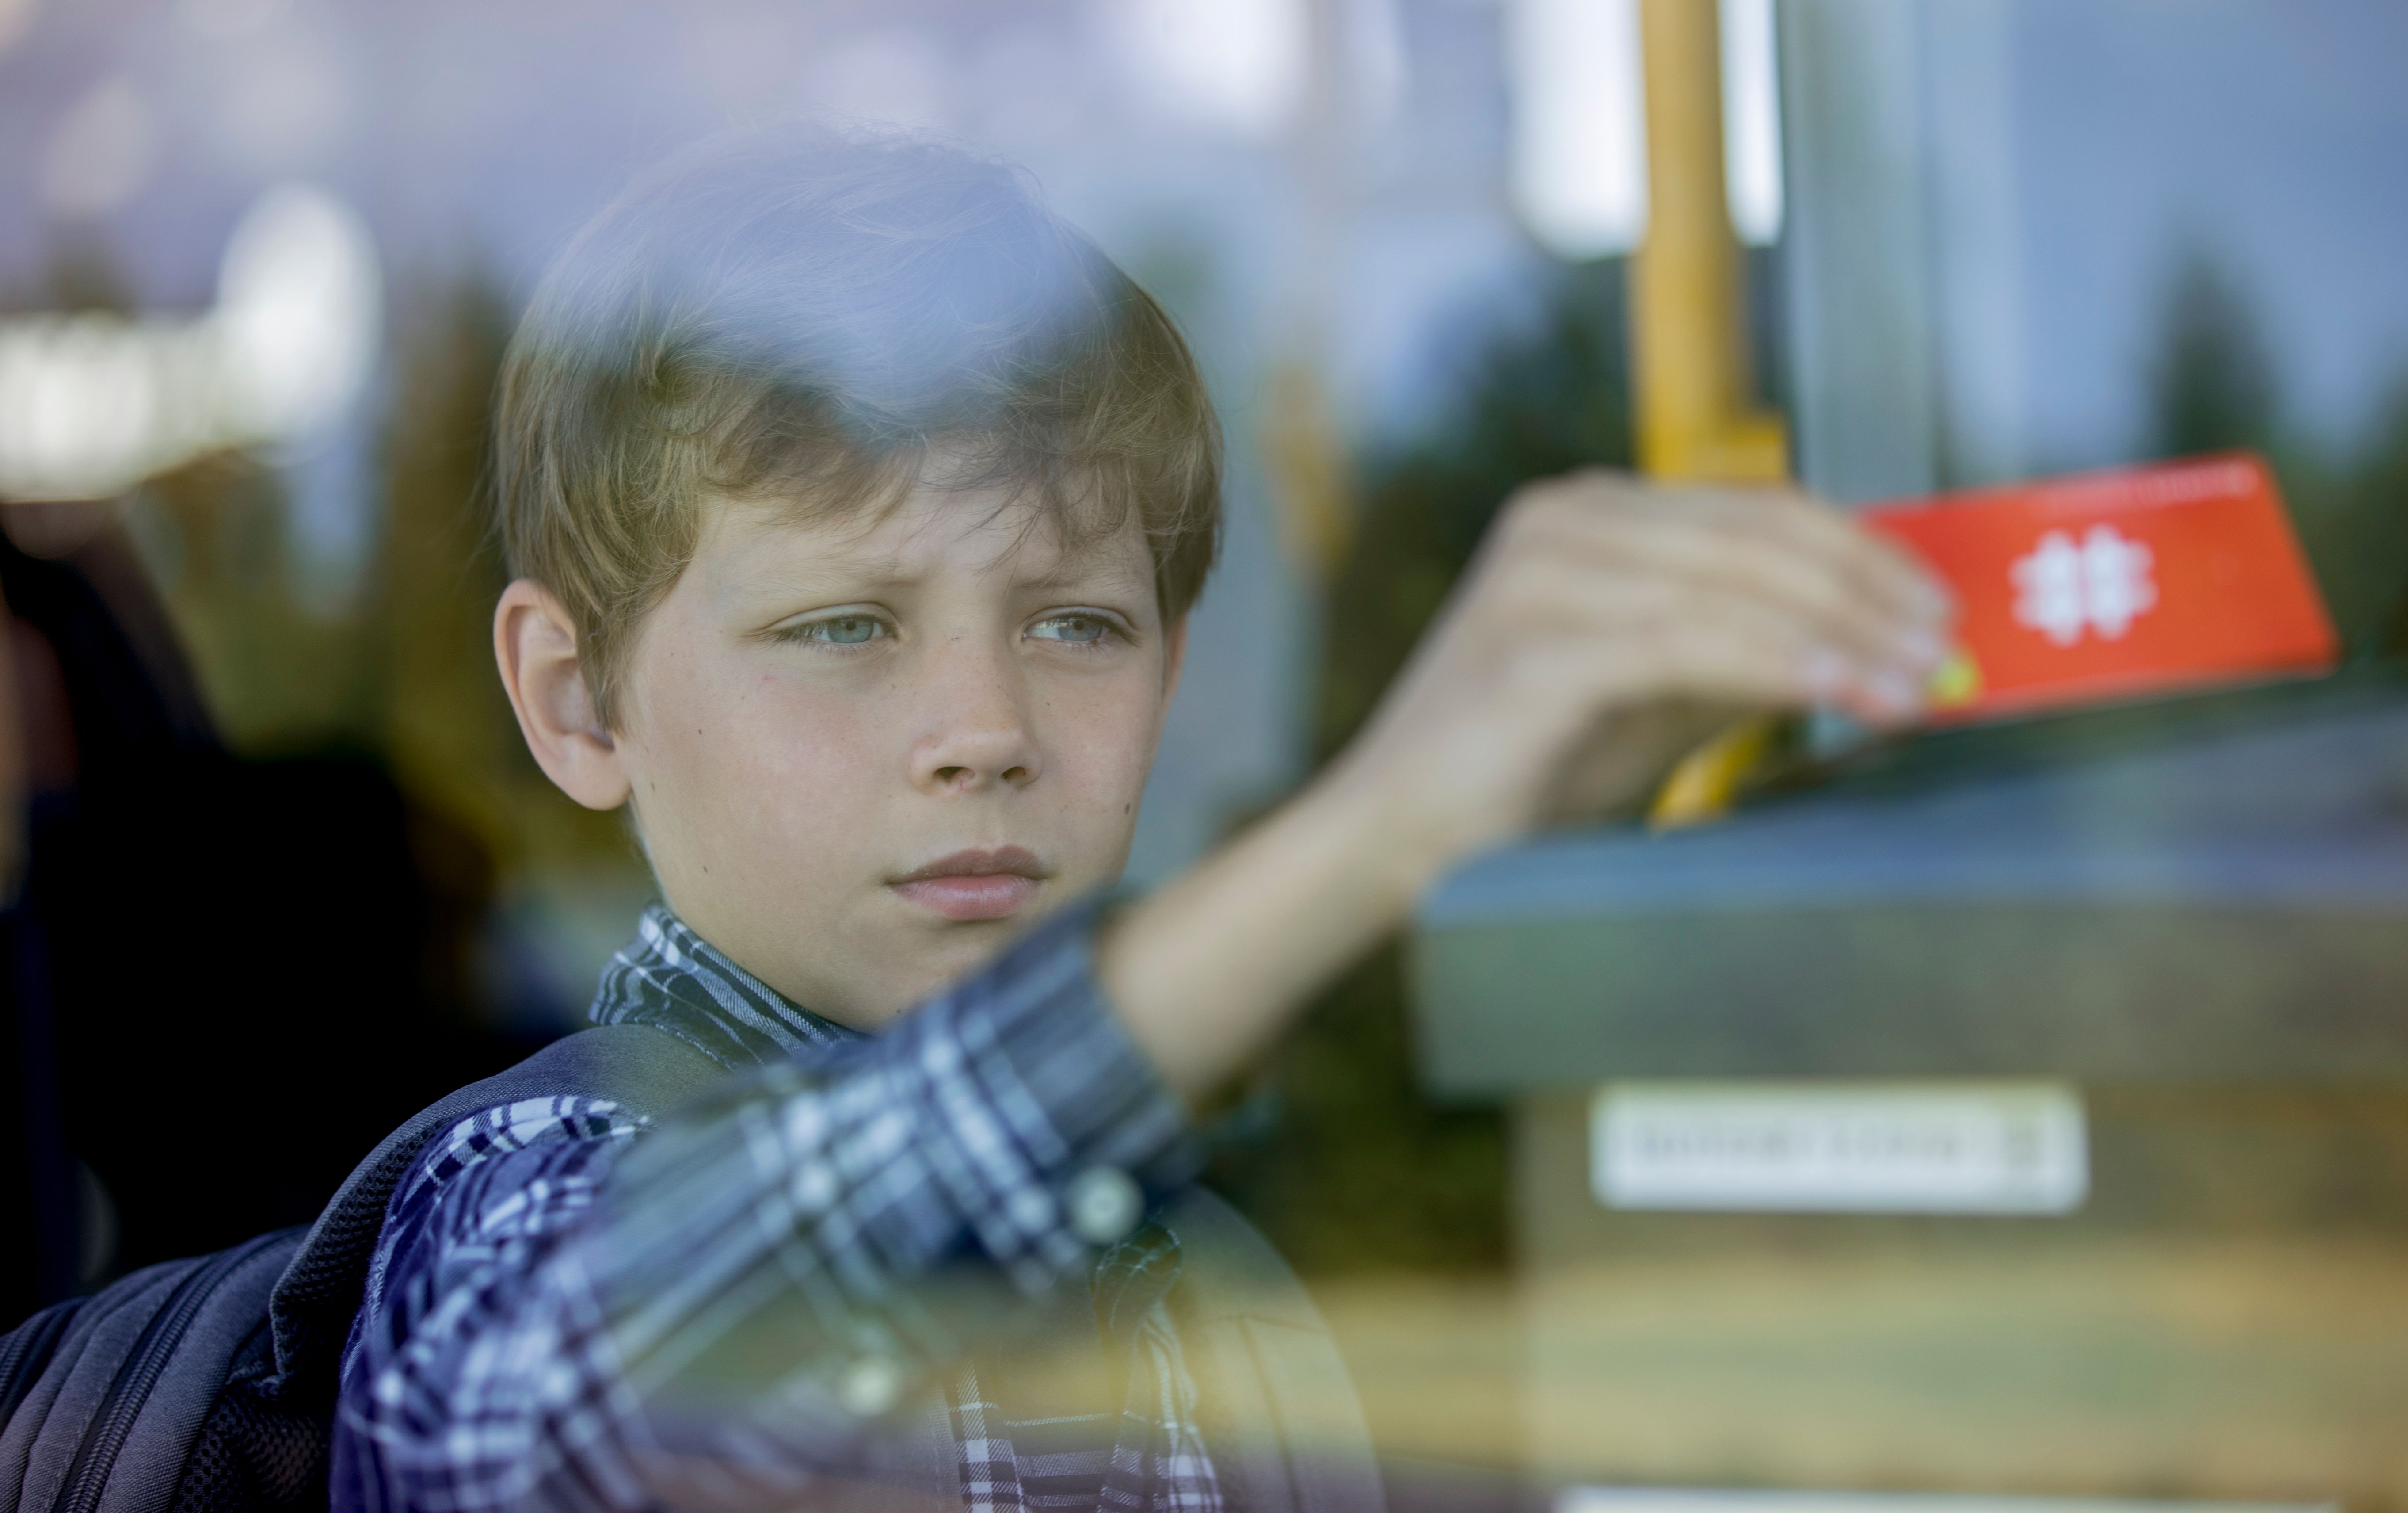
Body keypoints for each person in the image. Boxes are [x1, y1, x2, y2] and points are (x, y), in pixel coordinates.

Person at [333, 129, 1949, 1512]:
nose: (984, 732)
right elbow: (532, 1426)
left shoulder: (1227, 1298)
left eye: (1074, 626)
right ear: (575, 701)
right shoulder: (529, 1187)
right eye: (844, 627)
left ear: (1168, 673)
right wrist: (1372, 835)